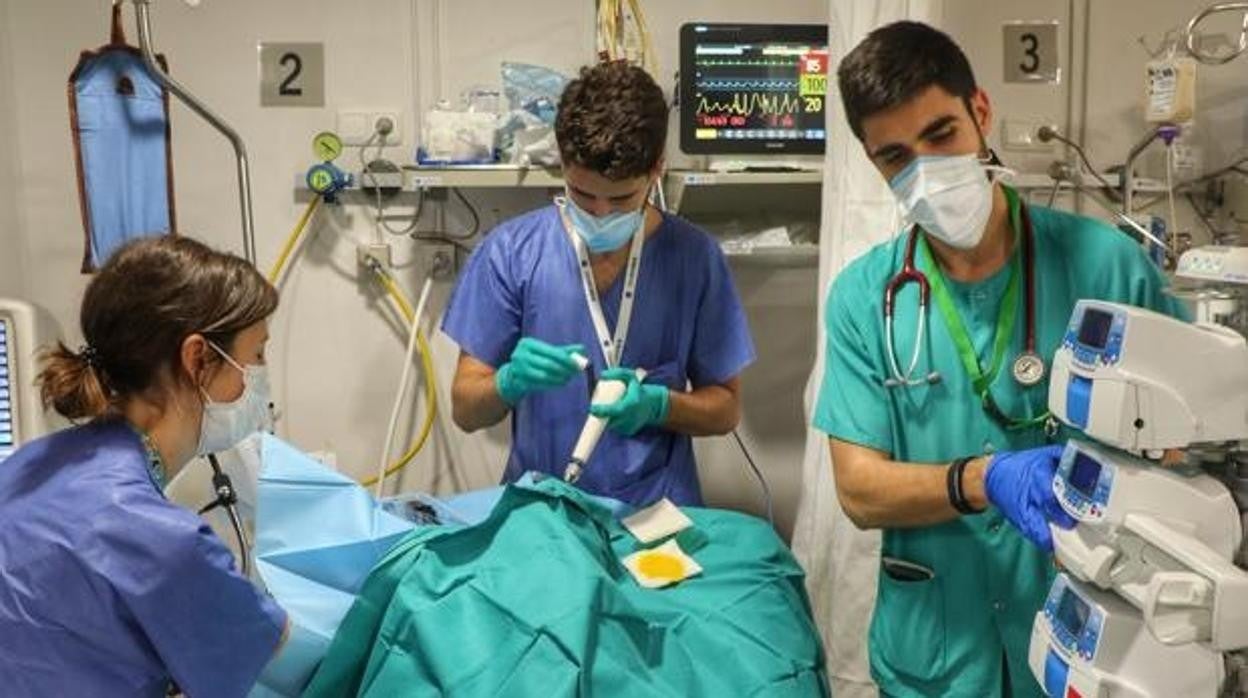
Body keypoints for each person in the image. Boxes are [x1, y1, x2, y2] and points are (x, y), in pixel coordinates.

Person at [812, 22, 1187, 698]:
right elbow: (860, 492)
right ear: (872, 162)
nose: (925, 171)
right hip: (937, 655)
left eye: (941, 135)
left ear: (980, 112)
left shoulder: (1106, 266)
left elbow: (1187, 442)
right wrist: (982, 481)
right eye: (896, 156)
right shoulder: (865, 298)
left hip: (1086, 640)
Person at [442, 60, 755, 507]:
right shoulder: (511, 253)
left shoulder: (695, 259)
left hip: (657, 510)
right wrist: (507, 383)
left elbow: (725, 410)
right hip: (543, 508)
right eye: (583, 196)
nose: (601, 214)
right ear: (562, 164)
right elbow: (465, 411)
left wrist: (660, 405)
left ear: (657, 169)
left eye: (622, 199)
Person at [0, 236, 288, 697]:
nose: (259, 377)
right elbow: (269, 642)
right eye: (255, 356)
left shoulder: (28, 465)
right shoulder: (157, 536)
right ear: (197, 358)